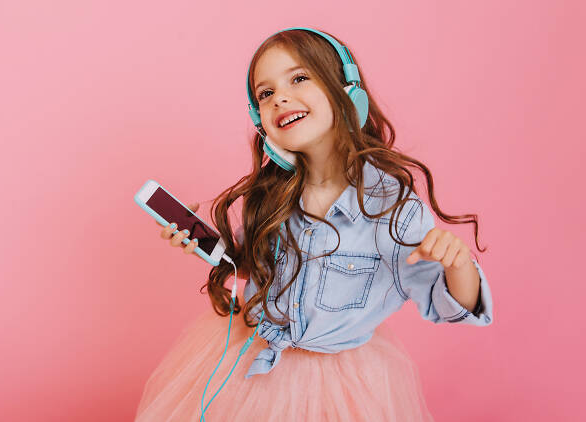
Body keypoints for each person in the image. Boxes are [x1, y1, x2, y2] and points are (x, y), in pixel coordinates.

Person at [135, 27, 494, 421]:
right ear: (260, 120)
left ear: (346, 90)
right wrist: (206, 243)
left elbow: (452, 307)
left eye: (299, 78)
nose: (280, 98)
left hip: (339, 386)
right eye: (265, 93)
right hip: (249, 361)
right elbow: (255, 268)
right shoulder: (272, 194)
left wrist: (457, 263)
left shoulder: (393, 209)